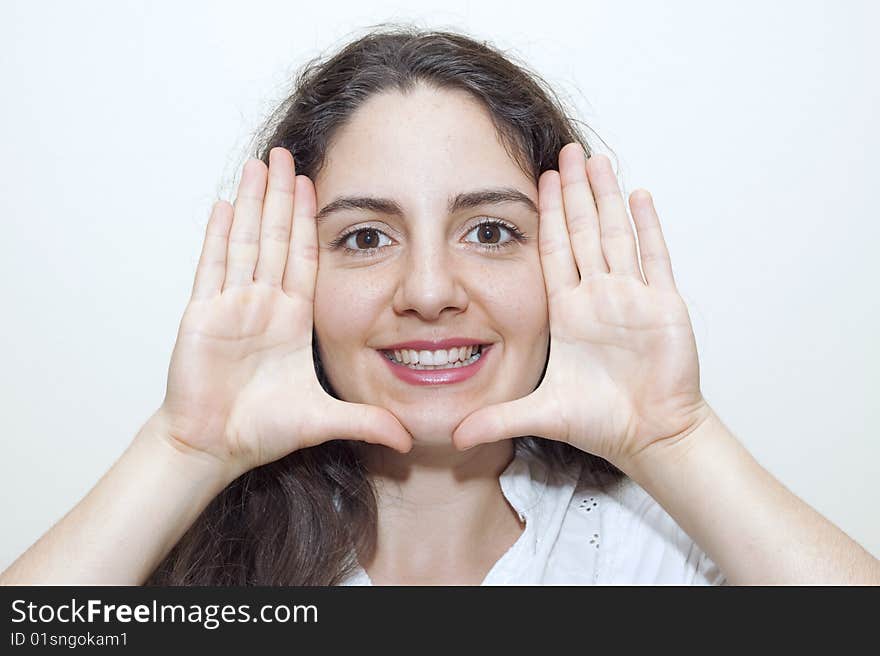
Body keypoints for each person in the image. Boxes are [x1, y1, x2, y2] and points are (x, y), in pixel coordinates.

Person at [2, 26, 878, 587]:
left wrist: (674, 439)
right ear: (293, 278)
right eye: (365, 237)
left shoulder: (663, 553)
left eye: (491, 232)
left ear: (563, 260)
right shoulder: (180, 561)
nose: (428, 291)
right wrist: (185, 448)